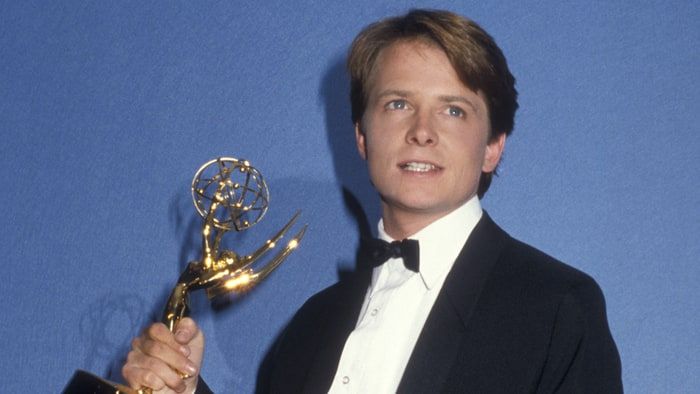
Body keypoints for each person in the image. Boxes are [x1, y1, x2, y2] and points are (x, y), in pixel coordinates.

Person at [122, 9, 622, 393]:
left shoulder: (557, 307)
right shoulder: (310, 326)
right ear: (362, 136)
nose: (421, 132)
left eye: (453, 110)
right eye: (398, 104)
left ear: (493, 146)